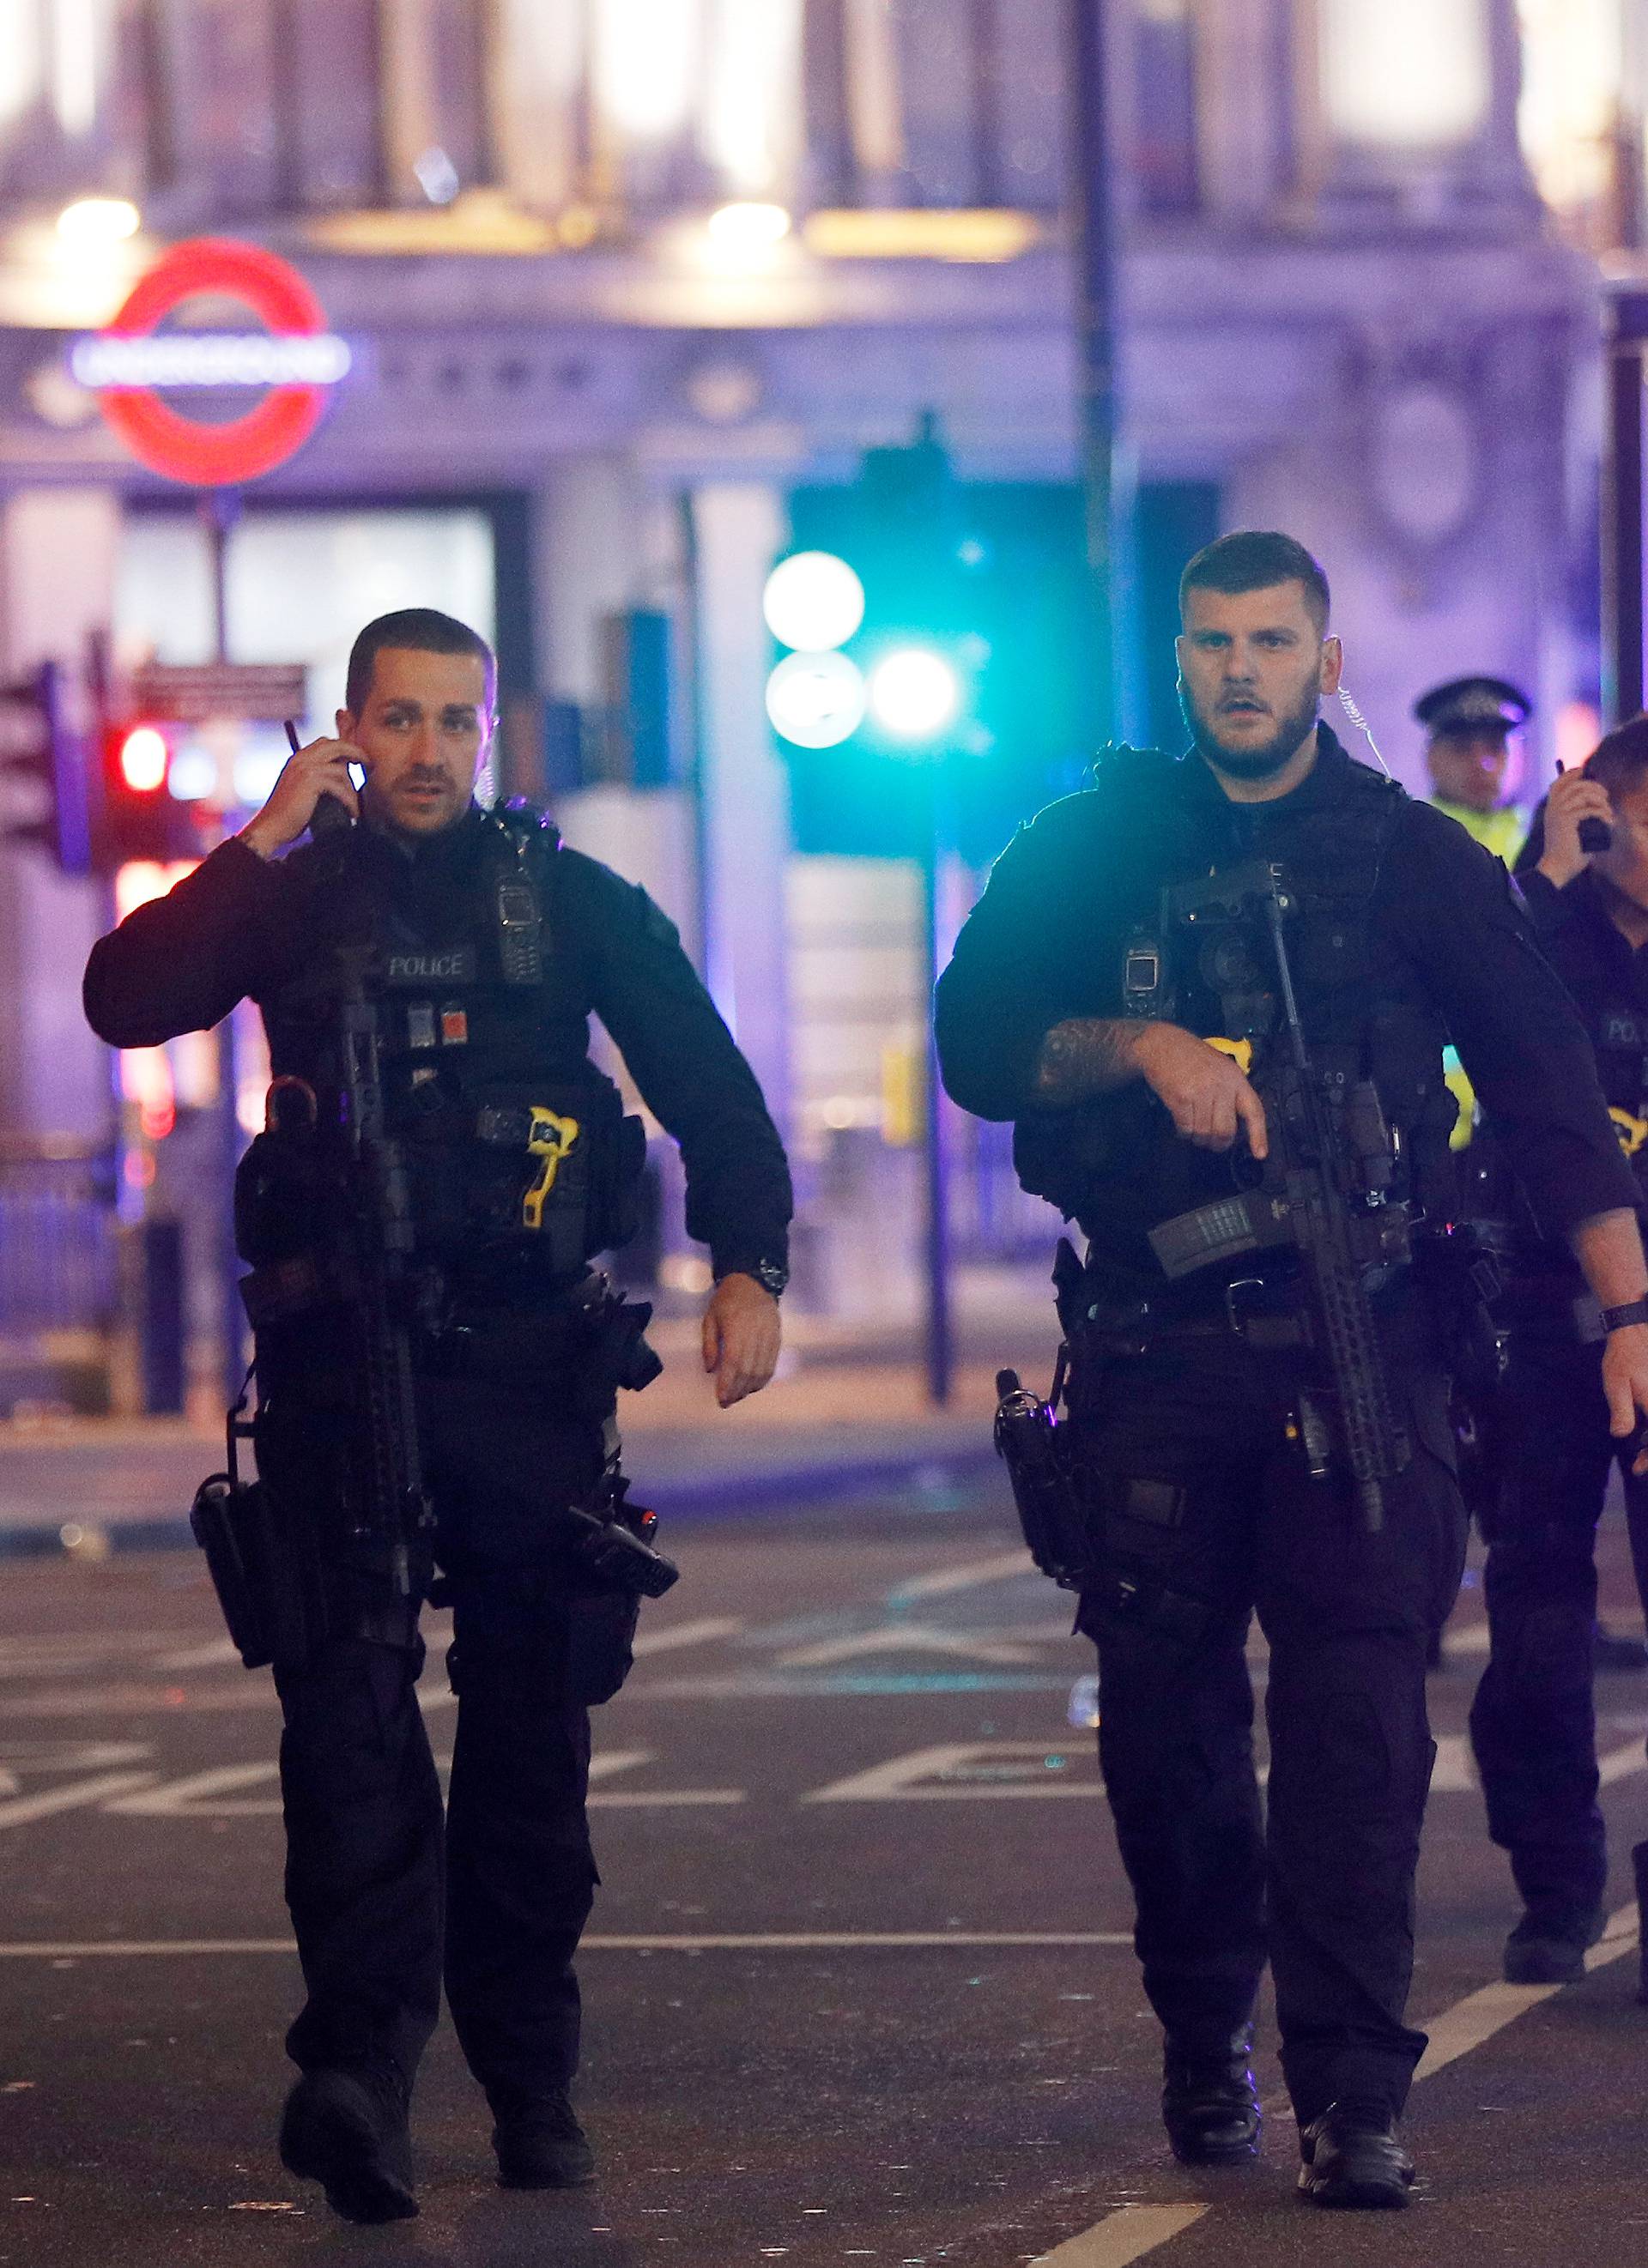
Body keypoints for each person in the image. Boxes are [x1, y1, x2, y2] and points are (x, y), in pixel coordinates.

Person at [936, 532, 1648, 2210]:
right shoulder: (1087, 848)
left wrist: (1628, 1308)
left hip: (1366, 1345)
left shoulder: (1410, 859)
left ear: (1324, 662)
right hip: (1154, 1350)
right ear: (1178, 664)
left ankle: (1351, 2091)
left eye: (1271, 640)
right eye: (1211, 642)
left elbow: (1546, 1091)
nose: (1240, 667)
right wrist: (1139, 1045)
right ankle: (1206, 2036)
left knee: (1356, 1731)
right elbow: (976, 1041)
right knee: (1169, 1743)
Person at [82, 608, 792, 2223]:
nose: (423, 752)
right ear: (346, 726)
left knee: (533, 1743)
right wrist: (253, 848)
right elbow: (127, 998)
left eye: (450, 724)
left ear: (490, 735)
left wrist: (747, 1265)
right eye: (393, 722)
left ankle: (532, 2082)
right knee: (346, 1735)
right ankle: (362, 2080)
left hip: (529, 1374)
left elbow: (709, 1083)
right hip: (345, 1378)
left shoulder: (562, 901)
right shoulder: (296, 891)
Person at [1467, 720, 1648, 1984]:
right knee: (1535, 1607)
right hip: (1539, 1314)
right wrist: (1543, 870)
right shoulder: (1538, 933)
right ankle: (1556, 1876)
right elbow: (1465, 998)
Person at [1415, 674, 1531, 864]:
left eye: (1496, 748)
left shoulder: (1549, 841)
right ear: (1431, 759)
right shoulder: (1409, 841)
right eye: (1461, 748)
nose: (1481, 764)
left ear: (1524, 759)